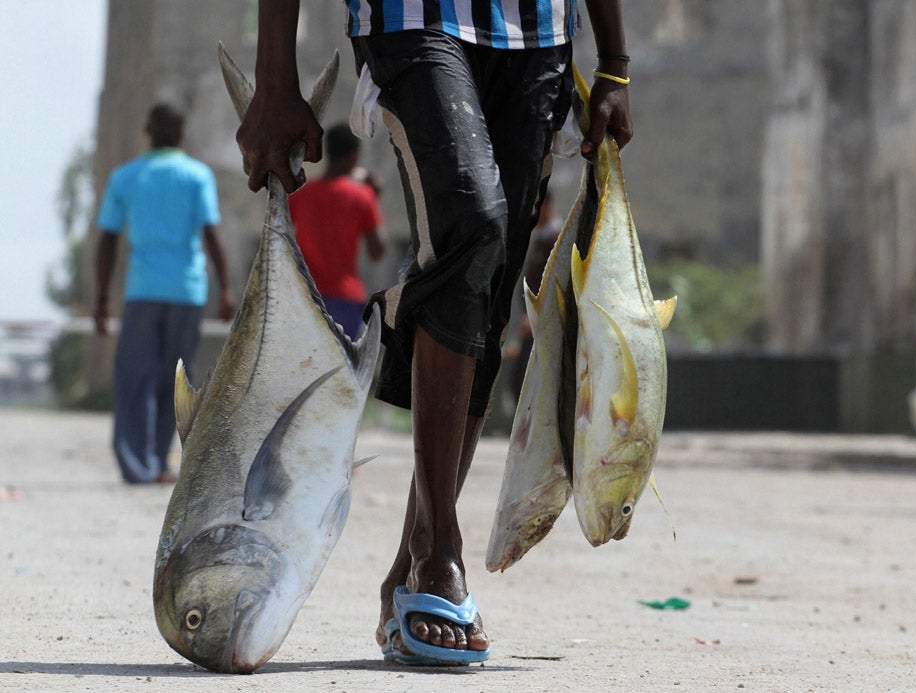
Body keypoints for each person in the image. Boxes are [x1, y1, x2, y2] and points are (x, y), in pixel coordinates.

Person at [235, 0, 632, 665]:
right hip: (412, 17)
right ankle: (440, 553)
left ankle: (406, 572)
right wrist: (275, 78)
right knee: (471, 225)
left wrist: (615, 65)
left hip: (539, 31)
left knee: (489, 282)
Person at [94, 103, 235, 485]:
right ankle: (158, 463)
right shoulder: (196, 175)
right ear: (181, 131)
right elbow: (211, 234)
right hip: (188, 291)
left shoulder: (126, 177)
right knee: (174, 380)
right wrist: (225, 288)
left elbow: (107, 237)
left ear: (148, 130)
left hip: (143, 290)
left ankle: (136, 465)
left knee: (134, 379)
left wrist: (102, 298)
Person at [289, 123, 386, 337]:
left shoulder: (301, 195)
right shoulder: (362, 196)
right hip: (345, 297)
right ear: (353, 157)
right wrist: (374, 198)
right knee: (344, 365)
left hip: (305, 293)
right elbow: (377, 252)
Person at [505, 191, 562, 407]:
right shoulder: (539, 236)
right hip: (530, 319)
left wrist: (536, 313)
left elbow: (552, 281)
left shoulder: (555, 237)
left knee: (528, 379)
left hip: (542, 320)